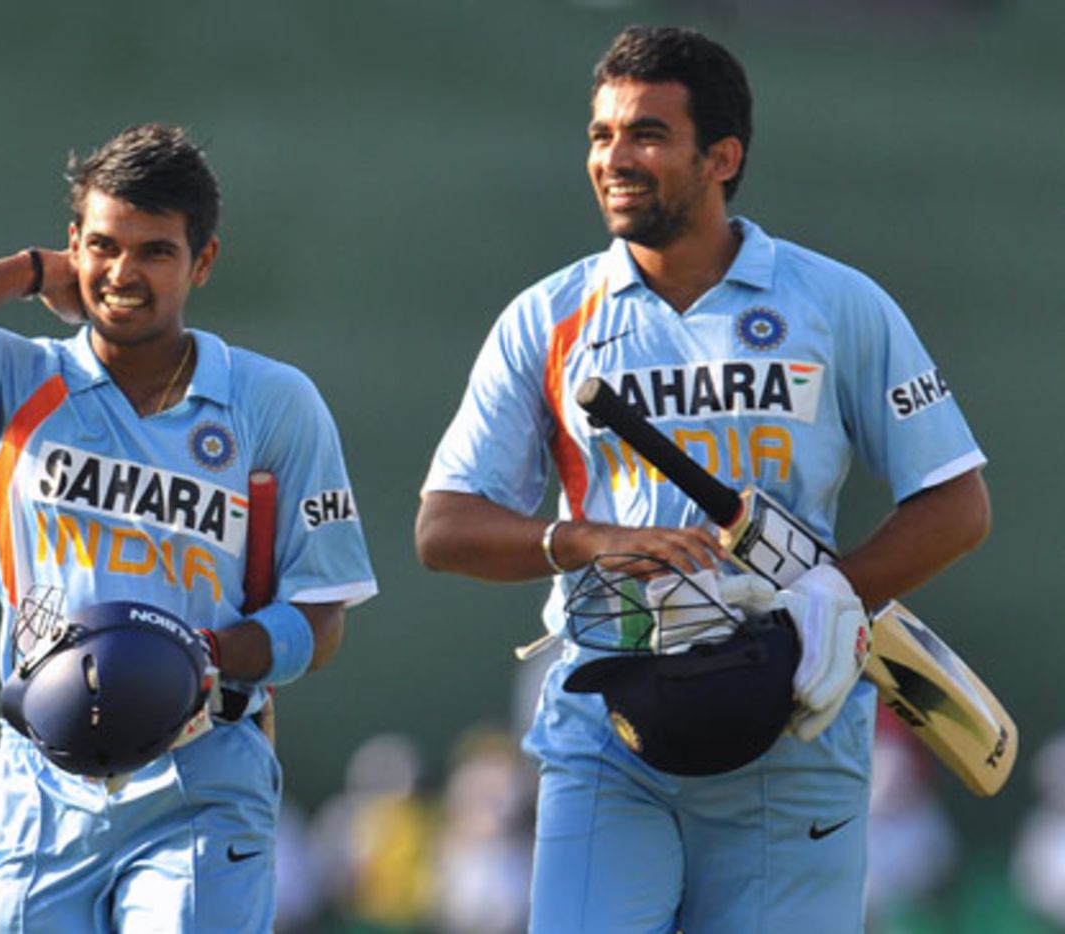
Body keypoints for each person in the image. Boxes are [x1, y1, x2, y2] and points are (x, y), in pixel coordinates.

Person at [415, 25, 989, 933]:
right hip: (610, 723)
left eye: (646, 134)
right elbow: (442, 528)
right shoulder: (547, 317)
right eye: (602, 135)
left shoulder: (835, 303)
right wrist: (590, 541)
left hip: (795, 719)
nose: (614, 158)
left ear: (722, 156)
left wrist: (835, 595)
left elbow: (957, 504)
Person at [0, 123, 378, 932]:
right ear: (73, 247)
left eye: (156, 252)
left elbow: (322, 617)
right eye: (103, 245)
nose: (123, 274)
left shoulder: (274, 403)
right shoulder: (22, 376)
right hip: (41, 781)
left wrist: (197, 659)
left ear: (202, 262)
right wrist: (29, 274)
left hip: (200, 776)